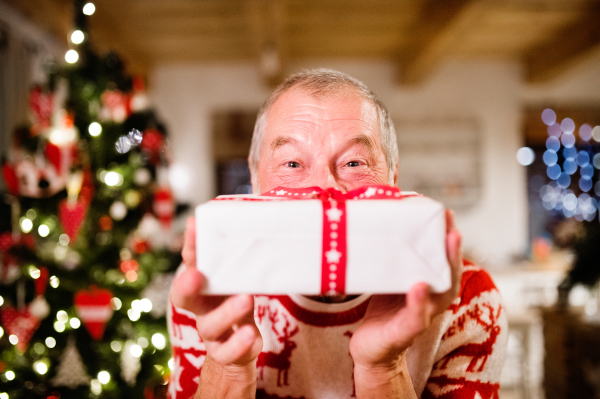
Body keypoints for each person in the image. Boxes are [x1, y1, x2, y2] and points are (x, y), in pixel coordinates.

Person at [168, 69, 507, 399]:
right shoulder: (210, 287)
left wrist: (384, 370)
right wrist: (227, 368)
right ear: (256, 180)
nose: (324, 189)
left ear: (392, 175)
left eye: (354, 163)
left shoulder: (464, 297)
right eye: (292, 164)